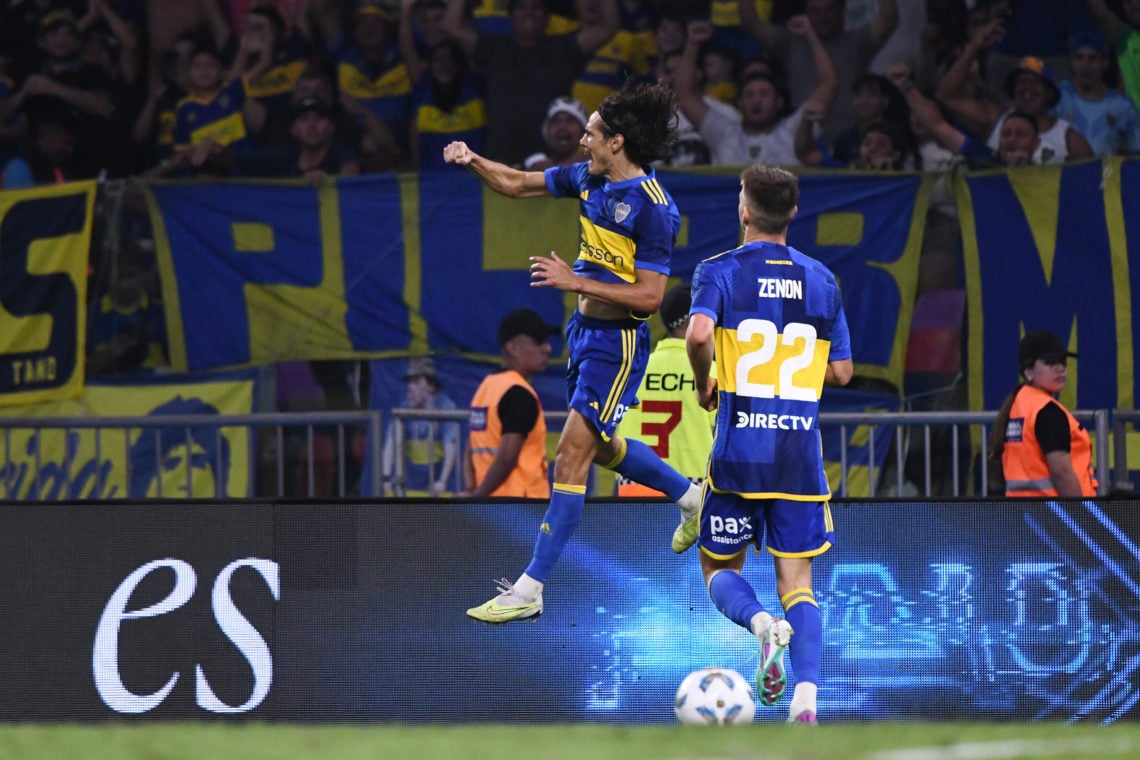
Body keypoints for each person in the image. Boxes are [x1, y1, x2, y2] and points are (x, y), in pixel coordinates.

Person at [443, 80, 703, 623]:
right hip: (583, 338)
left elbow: (652, 297)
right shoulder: (588, 178)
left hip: (618, 345)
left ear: (618, 142)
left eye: (591, 133)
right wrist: (471, 159)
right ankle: (690, 498)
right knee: (602, 447)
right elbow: (515, 184)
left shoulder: (655, 210)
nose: (582, 141)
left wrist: (576, 282)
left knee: (572, 453)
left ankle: (530, 587)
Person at [685, 164, 853, 723]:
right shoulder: (823, 280)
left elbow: (700, 334)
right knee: (798, 583)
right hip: (799, 459)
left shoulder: (719, 271)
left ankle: (760, 626)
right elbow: (845, 372)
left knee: (717, 569)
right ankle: (805, 701)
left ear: (745, 211)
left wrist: (704, 380)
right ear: (794, 214)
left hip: (739, 457)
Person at [614, 284, 713, 518]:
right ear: (694, 320)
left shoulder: (632, 371)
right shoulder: (713, 373)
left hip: (634, 491)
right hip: (694, 493)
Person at [989, 329, 1098, 498]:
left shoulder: (1020, 406)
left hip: (1026, 513)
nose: (1060, 368)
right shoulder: (1047, 412)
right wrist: (1081, 513)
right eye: (1050, 362)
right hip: (1056, 515)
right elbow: (1061, 472)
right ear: (1028, 371)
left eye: (1062, 361)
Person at [464, 308, 560, 498]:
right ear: (513, 347)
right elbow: (507, 457)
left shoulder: (487, 387)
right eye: (539, 341)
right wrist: (478, 497)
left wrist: (472, 490)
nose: (547, 348)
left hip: (494, 507)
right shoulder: (519, 394)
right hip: (520, 507)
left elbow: (470, 448)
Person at [382, 356, 461, 496]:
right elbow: (391, 445)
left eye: (416, 381)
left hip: (440, 485)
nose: (410, 387)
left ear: (431, 386)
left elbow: (451, 449)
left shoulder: (446, 407)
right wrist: (386, 478)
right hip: (412, 484)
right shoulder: (403, 408)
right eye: (409, 382)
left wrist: (442, 482)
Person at [522, 95, 587, 170]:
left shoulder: (598, 165)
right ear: (546, 132)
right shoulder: (530, 166)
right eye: (555, 121)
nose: (562, 126)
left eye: (570, 120)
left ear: (583, 131)